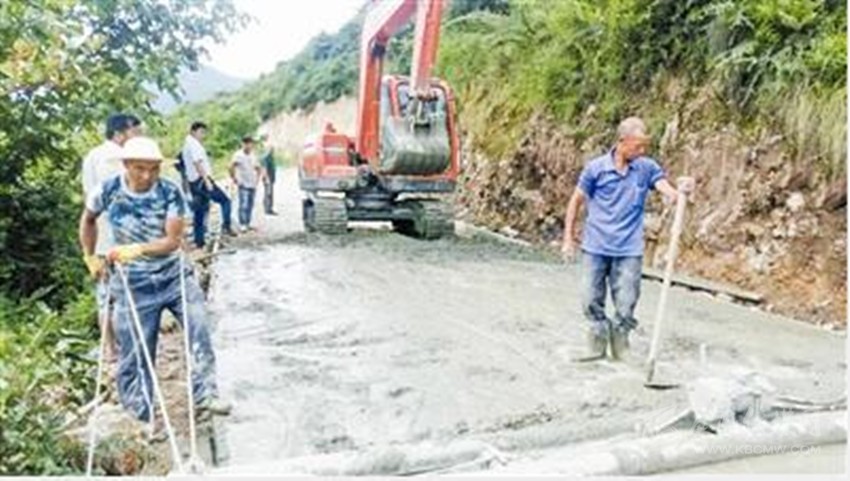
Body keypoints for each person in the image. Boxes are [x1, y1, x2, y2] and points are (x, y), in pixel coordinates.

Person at [79, 136, 230, 422]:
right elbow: (88, 219)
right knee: (135, 349)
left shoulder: (170, 192)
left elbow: (172, 241)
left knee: (198, 328)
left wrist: (137, 249)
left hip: (173, 276)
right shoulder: (107, 191)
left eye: (153, 169)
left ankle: (205, 395)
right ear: (126, 165)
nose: (147, 175)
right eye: (140, 168)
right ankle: (139, 413)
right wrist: (90, 255)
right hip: (133, 284)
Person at [561, 117, 694, 361]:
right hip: (596, 246)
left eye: (644, 146)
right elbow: (575, 201)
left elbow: (665, 189)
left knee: (627, 300)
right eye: (637, 146)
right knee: (590, 298)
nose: (642, 151)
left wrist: (680, 192)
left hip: (629, 248)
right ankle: (597, 343)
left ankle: (621, 344)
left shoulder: (646, 168)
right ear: (622, 142)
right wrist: (568, 239)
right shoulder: (596, 169)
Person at [81, 113, 141, 361]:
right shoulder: (116, 159)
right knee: (124, 293)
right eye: (134, 132)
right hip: (118, 239)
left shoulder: (92, 156)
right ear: (119, 134)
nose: (138, 137)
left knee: (105, 295)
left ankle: (110, 348)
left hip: (100, 238)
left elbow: (88, 201)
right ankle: (125, 347)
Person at [182, 121, 235, 248]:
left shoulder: (187, 144)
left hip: (194, 182)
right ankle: (226, 226)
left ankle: (199, 241)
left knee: (200, 211)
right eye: (201, 132)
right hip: (202, 181)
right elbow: (197, 163)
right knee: (225, 201)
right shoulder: (193, 144)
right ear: (193, 132)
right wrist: (206, 180)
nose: (203, 135)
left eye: (204, 133)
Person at [229, 136, 263, 232]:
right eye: (247, 143)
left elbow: (258, 167)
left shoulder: (253, 155)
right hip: (243, 183)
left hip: (252, 183)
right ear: (243, 144)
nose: (249, 146)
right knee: (243, 204)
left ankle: (247, 223)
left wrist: (258, 179)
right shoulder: (238, 155)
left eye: (251, 144)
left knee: (250, 204)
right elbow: (231, 166)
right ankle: (242, 223)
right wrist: (234, 178)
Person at [258, 134, 278, 215]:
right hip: (268, 177)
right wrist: (266, 177)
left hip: (270, 177)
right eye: (272, 148)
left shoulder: (268, 156)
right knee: (268, 192)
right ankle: (268, 209)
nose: (273, 150)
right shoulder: (266, 157)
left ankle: (268, 207)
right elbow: (264, 167)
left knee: (269, 192)